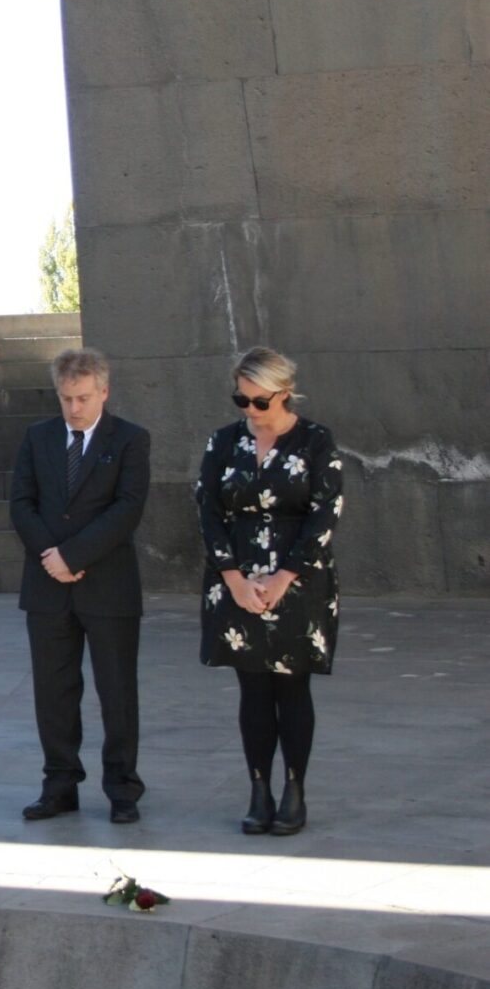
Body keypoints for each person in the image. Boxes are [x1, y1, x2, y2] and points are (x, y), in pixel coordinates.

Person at [196, 346, 341, 837]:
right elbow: (208, 511)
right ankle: (258, 789)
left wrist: (284, 577)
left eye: (261, 402)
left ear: (285, 393)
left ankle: (294, 789)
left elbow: (325, 512)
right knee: (252, 686)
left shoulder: (316, 441)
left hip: (298, 582)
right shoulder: (223, 442)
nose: (251, 411)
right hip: (235, 581)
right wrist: (233, 577)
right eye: (242, 400)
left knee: (292, 685)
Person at [9, 348, 150, 825]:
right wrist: (52, 557)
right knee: (53, 693)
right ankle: (59, 785)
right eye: (66, 398)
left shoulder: (131, 439)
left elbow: (127, 509)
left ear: (104, 392)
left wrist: (73, 555)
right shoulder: (37, 438)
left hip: (108, 587)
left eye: (83, 397)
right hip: (48, 588)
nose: (74, 408)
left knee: (117, 692)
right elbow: (21, 503)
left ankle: (122, 789)